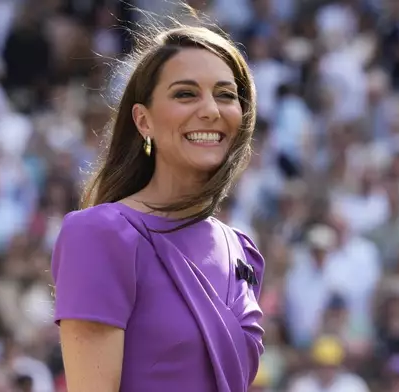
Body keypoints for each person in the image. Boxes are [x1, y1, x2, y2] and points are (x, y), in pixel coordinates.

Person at [50, 19, 265, 392]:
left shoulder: (241, 250)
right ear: (143, 120)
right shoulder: (100, 234)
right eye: (185, 94)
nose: (211, 110)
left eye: (226, 95)